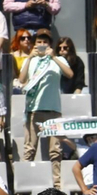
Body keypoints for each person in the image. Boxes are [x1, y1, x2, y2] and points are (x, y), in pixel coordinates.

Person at [19, 30, 71, 177]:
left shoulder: (57, 60)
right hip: (33, 110)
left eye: (45, 42)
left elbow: (69, 74)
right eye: (39, 42)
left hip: (53, 110)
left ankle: (57, 184)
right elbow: (22, 80)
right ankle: (25, 186)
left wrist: (54, 57)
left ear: (50, 44)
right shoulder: (30, 61)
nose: (42, 45)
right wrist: (29, 57)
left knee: (55, 150)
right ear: (34, 44)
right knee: (29, 149)